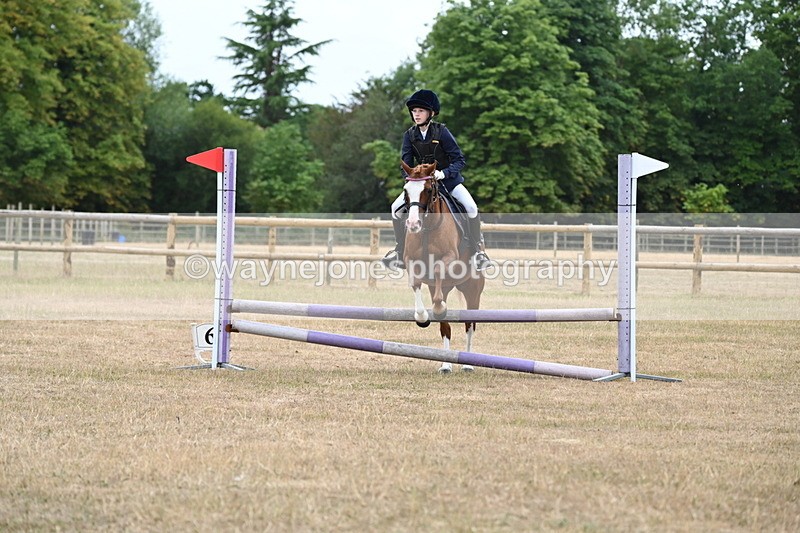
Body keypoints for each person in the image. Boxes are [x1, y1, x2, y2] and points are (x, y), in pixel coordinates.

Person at [381, 89, 491, 271]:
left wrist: (444, 173)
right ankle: (399, 252)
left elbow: (459, 160)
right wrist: (411, 181)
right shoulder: (409, 136)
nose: (416, 114)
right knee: (395, 209)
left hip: (448, 183)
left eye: (421, 111)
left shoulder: (442, 132)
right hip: (422, 186)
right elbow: (405, 164)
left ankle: (478, 252)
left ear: (431, 113)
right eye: (414, 111)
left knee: (471, 207)